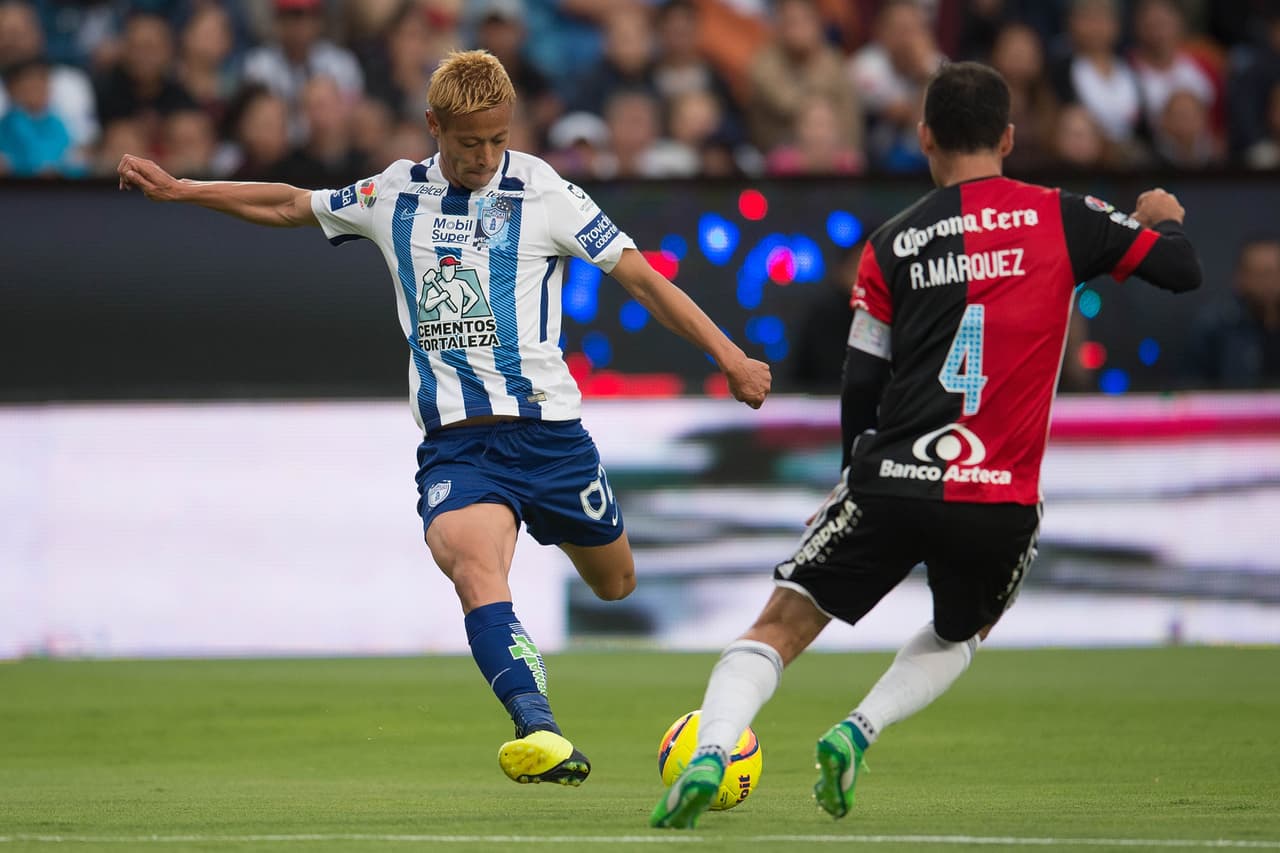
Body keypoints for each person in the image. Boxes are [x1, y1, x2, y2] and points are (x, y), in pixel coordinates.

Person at [117, 49, 770, 788]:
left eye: (497, 140)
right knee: (474, 567)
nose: (485, 157)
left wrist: (730, 355)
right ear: (434, 126)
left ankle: (546, 598)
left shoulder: (546, 191)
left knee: (616, 582)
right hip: (460, 447)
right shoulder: (393, 193)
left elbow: (644, 280)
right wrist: (184, 189)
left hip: (552, 438)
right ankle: (539, 726)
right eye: (468, 144)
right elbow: (290, 203)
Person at [650, 61, 1200, 830]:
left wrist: (851, 480)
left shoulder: (892, 242)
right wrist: (1161, 218)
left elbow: (859, 383)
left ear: (924, 137)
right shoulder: (1064, 217)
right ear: (1009, 137)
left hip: (894, 477)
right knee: (962, 628)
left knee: (778, 626)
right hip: (1000, 494)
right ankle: (857, 729)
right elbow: (1181, 270)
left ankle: (710, 750)